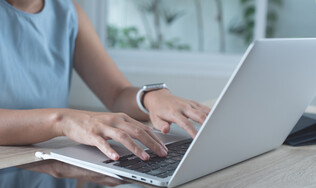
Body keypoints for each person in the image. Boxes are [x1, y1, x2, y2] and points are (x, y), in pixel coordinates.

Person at [0, 0, 210, 161]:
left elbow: (116, 92)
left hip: (47, 158)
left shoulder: (66, 10)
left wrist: (149, 98)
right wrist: (62, 121)